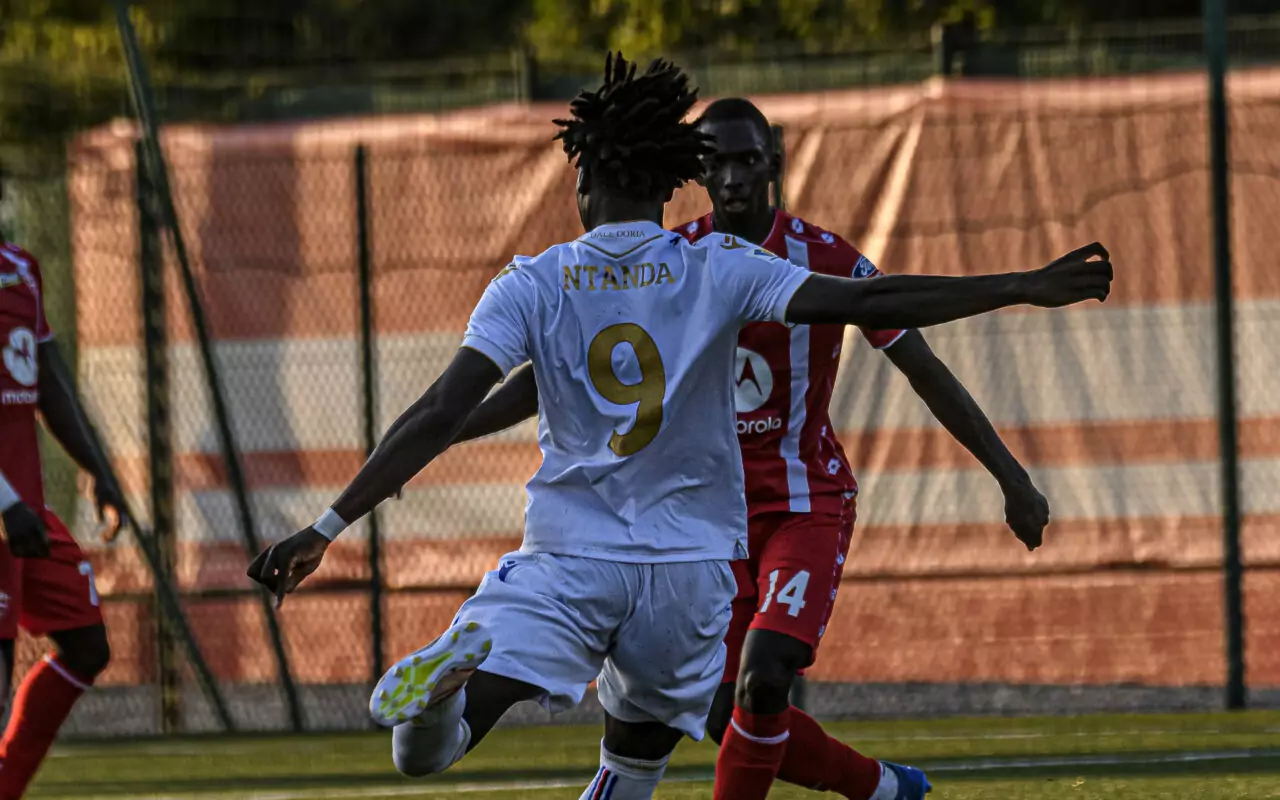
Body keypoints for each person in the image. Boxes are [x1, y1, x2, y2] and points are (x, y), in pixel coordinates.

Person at [248, 53, 1112, 800]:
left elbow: (443, 407)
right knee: (637, 760)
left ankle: (450, 692)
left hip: (573, 557)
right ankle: (877, 785)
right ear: (672, 185)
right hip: (690, 570)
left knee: (423, 755)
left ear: (582, 182)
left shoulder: (533, 282)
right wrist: (1020, 286)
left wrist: (328, 524)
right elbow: (874, 300)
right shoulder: (719, 266)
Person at [453, 97, 1067, 799]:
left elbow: (920, 364)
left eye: (748, 159)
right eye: (717, 162)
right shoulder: (671, 261)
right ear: (696, 172)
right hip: (704, 523)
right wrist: (452, 428)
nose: (733, 176)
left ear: (774, 163)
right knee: (724, 709)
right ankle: (882, 789)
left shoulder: (825, 258)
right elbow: (560, 376)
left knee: (765, 671)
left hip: (804, 505)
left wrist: (1012, 478)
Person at [0, 169, 128, 799]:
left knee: (86, 644)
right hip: (6, 509)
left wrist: (99, 469)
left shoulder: (20, 270)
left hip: (25, 512)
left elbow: (48, 382)